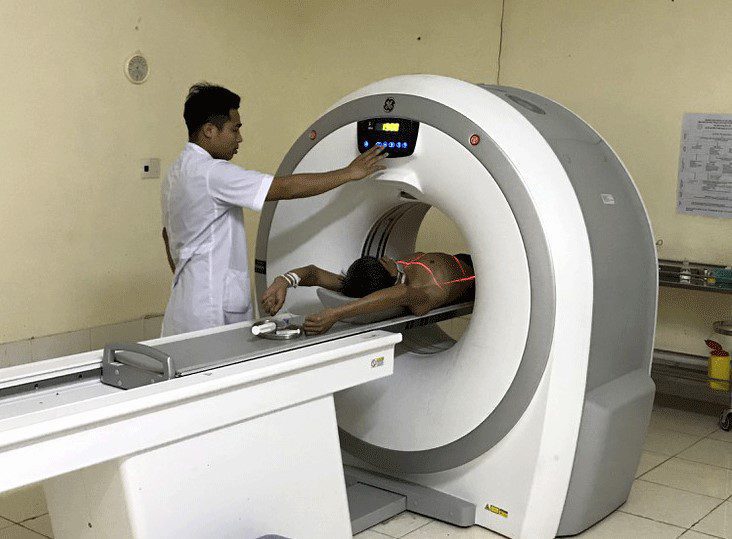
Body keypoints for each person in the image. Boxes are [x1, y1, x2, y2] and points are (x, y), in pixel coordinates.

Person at [161, 83, 386, 336]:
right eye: (235, 129)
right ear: (209, 130)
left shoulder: (175, 174)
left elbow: (167, 235)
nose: (239, 138)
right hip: (211, 311)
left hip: (183, 305)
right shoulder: (212, 173)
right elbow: (285, 188)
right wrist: (349, 173)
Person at [261, 253, 475, 335]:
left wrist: (335, 314)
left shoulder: (423, 291)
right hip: (446, 261)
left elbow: (402, 292)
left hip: (476, 277)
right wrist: (284, 281)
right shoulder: (377, 273)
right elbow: (314, 273)